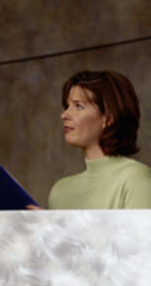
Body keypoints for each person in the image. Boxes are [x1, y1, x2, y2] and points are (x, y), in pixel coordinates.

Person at [46, 70, 151, 209]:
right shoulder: (59, 191)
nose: (64, 115)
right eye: (67, 106)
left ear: (108, 119)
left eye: (78, 106)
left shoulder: (136, 178)